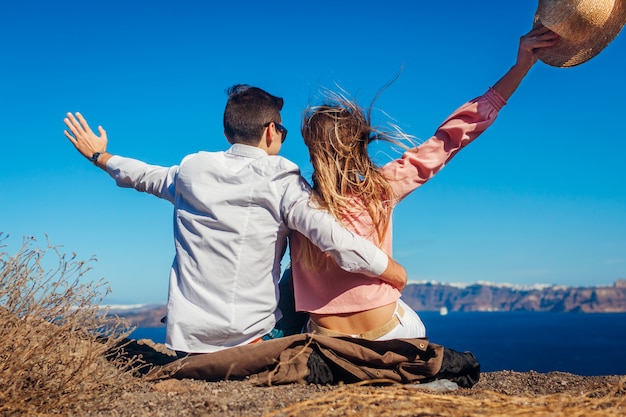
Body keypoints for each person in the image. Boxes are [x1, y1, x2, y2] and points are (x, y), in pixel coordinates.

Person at [63, 84, 408, 354]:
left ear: (230, 132)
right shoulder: (282, 180)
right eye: (283, 133)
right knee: (295, 276)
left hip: (187, 343)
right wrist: (392, 270)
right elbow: (337, 241)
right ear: (271, 131)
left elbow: (141, 175)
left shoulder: (191, 170)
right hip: (251, 343)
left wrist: (99, 155)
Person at [289, 26, 559, 340]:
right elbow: (452, 137)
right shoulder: (381, 188)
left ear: (311, 148)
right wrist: (520, 67)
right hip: (387, 333)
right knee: (416, 327)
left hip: (326, 338)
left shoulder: (293, 198)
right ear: (360, 144)